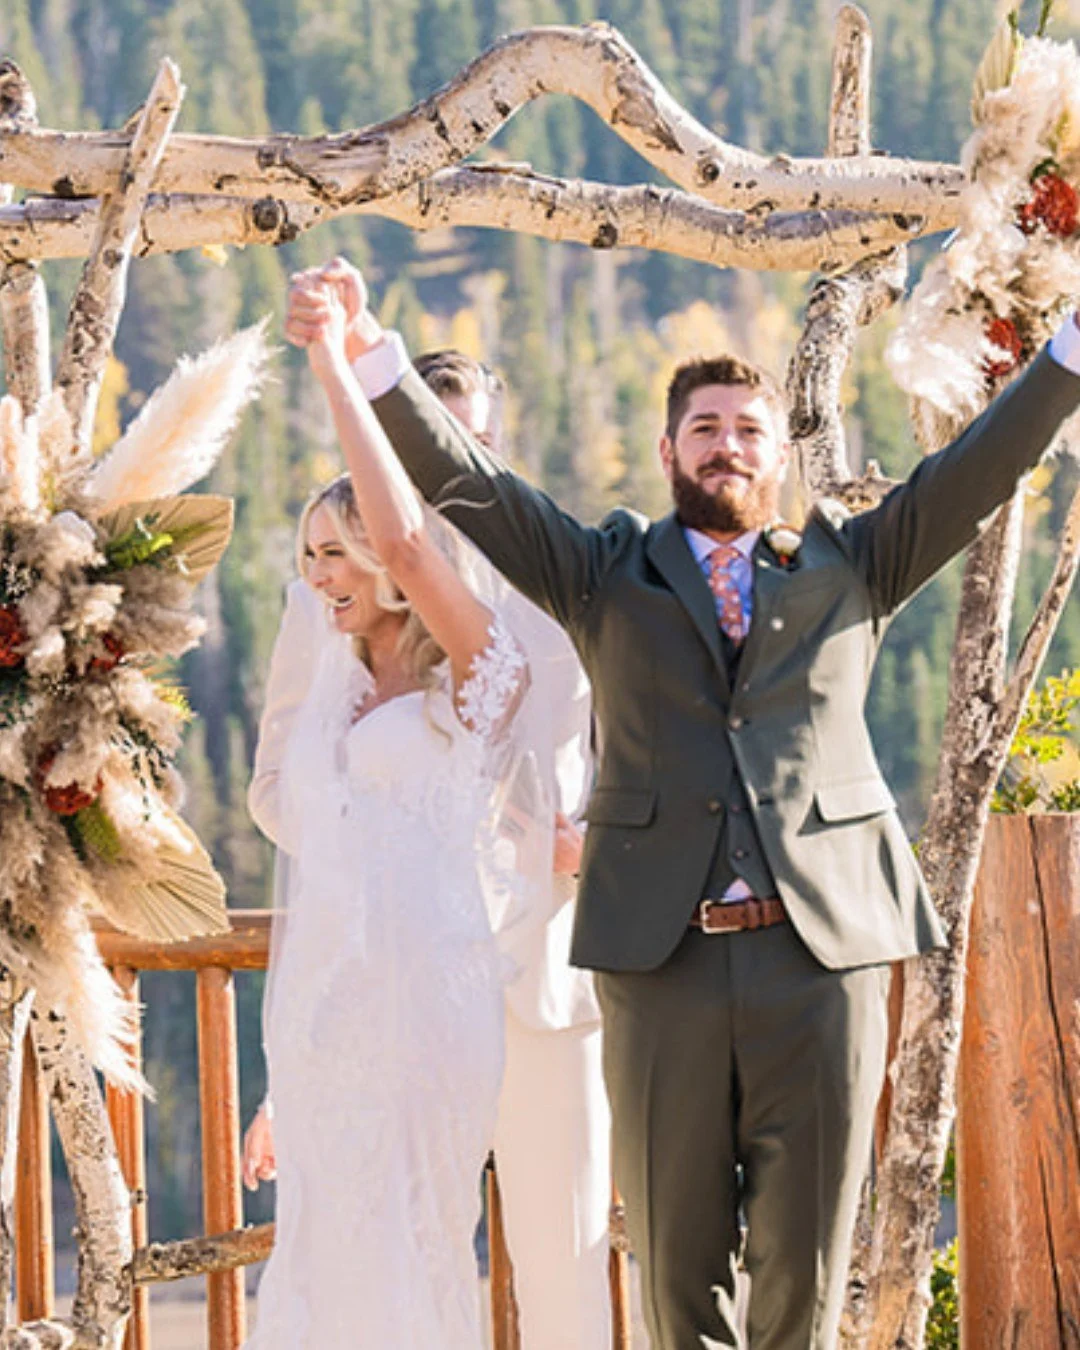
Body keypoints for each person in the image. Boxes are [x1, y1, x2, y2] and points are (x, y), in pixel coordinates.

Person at [285, 256, 1080, 1350]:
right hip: (663, 968)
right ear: (668, 453)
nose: (727, 446)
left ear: (782, 455)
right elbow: (472, 483)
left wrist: (1069, 352)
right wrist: (368, 351)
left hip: (822, 965)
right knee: (674, 1273)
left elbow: (978, 469)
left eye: (750, 430)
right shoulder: (602, 573)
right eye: (704, 428)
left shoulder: (857, 565)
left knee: (805, 1273)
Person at [246, 350, 613, 1348]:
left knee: (564, 1271)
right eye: (417, 448)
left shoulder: (563, 583)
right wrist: (396, 839)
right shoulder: (322, 607)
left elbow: (642, 752)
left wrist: (590, 844)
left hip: (542, 979)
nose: (445, 471)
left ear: (496, 446)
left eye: (465, 444)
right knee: (364, 1254)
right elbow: (276, 789)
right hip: (374, 988)